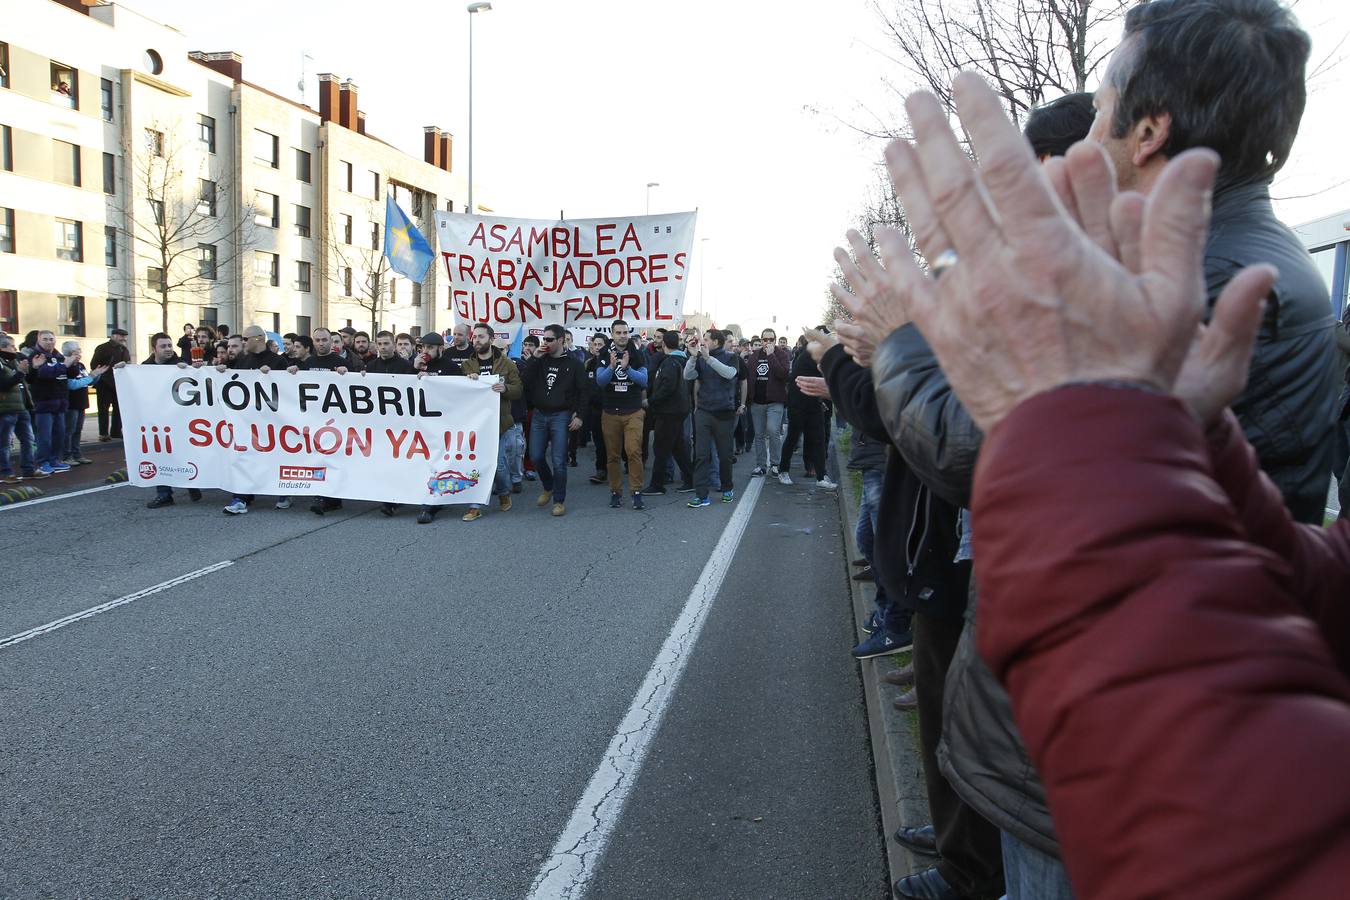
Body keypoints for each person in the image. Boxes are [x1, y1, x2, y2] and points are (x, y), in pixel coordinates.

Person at [868, 55, 1350, 898]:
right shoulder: (1206, 267)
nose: (1082, 134)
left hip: (1125, 756)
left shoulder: (1214, 272)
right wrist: (1172, 424)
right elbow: (1311, 576)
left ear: (1148, 130)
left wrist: (902, 338)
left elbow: (970, 456)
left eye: (1102, 111)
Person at [120, 334, 201, 508]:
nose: (168, 349)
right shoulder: (144, 368)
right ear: (154, 349)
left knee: (184, 454)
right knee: (159, 455)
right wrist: (122, 372)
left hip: (180, 420)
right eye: (163, 346)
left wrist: (190, 370)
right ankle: (164, 494)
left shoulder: (181, 366)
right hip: (157, 422)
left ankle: (192, 483)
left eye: (170, 345)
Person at [456, 323, 523, 521]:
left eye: (481, 337)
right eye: (474, 337)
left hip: (500, 424)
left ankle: (503, 492)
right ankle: (474, 505)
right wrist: (467, 381)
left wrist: (506, 389)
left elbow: (518, 390)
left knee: (499, 466)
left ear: (491, 340)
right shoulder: (466, 366)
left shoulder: (507, 364)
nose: (476, 340)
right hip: (476, 424)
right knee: (476, 465)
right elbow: (457, 392)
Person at [522, 323, 587, 517]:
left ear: (560, 340)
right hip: (540, 414)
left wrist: (580, 416)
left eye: (549, 339)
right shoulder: (540, 360)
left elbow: (584, 391)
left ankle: (559, 500)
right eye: (544, 339)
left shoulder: (574, 363)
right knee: (535, 456)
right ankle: (549, 486)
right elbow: (524, 380)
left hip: (561, 415)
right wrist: (534, 359)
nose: (545, 343)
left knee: (559, 460)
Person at [683, 329, 740, 507]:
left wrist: (708, 358)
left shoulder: (731, 357)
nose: (702, 342)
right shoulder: (700, 358)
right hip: (704, 412)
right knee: (701, 455)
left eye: (706, 339)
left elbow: (729, 373)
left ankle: (727, 488)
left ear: (715, 342)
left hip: (724, 413)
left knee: (724, 455)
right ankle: (701, 495)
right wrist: (693, 357)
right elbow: (688, 376)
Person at [596, 319, 649, 509]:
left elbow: (643, 380)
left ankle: (636, 491)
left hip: (633, 411)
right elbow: (600, 382)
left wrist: (627, 368)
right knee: (612, 455)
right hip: (610, 412)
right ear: (612, 334)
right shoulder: (604, 353)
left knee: (634, 451)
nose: (622, 336)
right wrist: (611, 367)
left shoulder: (637, 353)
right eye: (618, 333)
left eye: (625, 332)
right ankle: (615, 492)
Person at [779, 332, 835, 490]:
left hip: (813, 403)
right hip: (798, 404)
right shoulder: (811, 354)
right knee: (793, 437)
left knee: (818, 439)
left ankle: (821, 476)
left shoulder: (814, 353)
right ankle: (783, 470)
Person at [643, 330, 695, 495]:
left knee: (660, 448)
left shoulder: (670, 362)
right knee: (678, 448)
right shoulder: (676, 360)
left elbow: (667, 387)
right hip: (675, 411)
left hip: (669, 412)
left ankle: (657, 485)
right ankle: (690, 479)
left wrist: (650, 401)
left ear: (664, 344)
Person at [748, 328, 791, 480]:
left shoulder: (782, 355)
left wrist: (771, 355)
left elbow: (783, 374)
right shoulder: (754, 356)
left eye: (770, 340)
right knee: (759, 435)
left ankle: (775, 463)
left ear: (775, 340)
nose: (767, 343)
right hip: (757, 402)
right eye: (765, 340)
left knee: (773, 431)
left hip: (775, 401)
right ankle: (761, 465)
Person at [26, 331, 70, 476]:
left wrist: (73, 363)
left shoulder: (58, 356)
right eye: (45, 339)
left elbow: (71, 373)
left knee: (60, 433)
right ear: (38, 340)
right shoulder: (36, 355)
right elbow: (45, 373)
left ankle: (54, 459)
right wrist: (64, 366)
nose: (49, 342)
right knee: (44, 435)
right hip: (44, 401)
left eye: (51, 339)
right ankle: (43, 461)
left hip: (60, 401)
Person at [0, 334, 42, 482]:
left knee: (28, 440)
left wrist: (34, 368)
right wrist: (19, 373)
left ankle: (29, 469)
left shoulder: (16, 359)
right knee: (4, 442)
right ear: (2, 347)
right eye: (12, 346)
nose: (15, 348)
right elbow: (3, 385)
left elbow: (28, 380)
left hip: (22, 406)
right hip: (5, 408)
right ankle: (5, 473)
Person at [61, 342, 107, 466]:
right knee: (69, 430)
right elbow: (72, 385)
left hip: (81, 401)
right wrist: (91, 376)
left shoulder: (80, 365)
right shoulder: (65, 366)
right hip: (71, 403)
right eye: (77, 351)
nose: (79, 353)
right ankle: (67, 455)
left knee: (77, 430)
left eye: (79, 351)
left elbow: (88, 381)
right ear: (70, 353)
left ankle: (77, 453)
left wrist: (96, 374)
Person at [89, 328, 130, 441]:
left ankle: (116, 431)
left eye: (125, 337)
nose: (124, 339)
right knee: (103, 409)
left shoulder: (123, 349)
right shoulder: (102, 348)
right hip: (104, 383)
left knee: (118, 408)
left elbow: (127, 365)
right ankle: (103, 433)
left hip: (119, 383)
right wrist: (103, 374)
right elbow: (94, 364)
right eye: (121, 337)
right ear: (114, 336)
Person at [583, 333, 610, 484]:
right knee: (599, 441)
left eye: (601, 344)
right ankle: (601, 470)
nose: (598, 347)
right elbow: (584, 386)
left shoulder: (611, 362)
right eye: (596, 344)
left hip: (611, 408)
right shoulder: (589, 363)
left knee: (613, 441)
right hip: (594, 409)